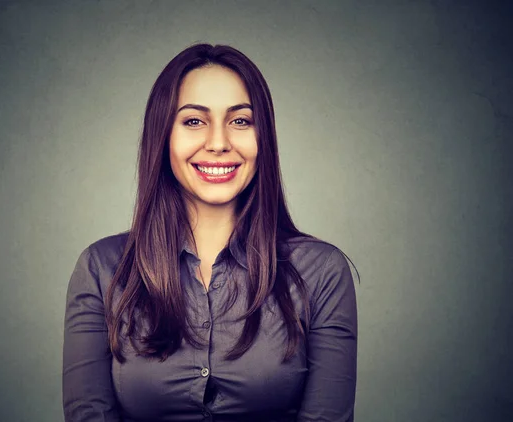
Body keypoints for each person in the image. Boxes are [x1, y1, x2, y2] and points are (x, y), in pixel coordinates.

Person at [62, 43, 358, 422]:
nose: (218, 143)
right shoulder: (101, 269)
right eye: (193, 121)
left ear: (261, 138)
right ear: (163, 136)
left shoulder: (322, 271)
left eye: (240, 121)